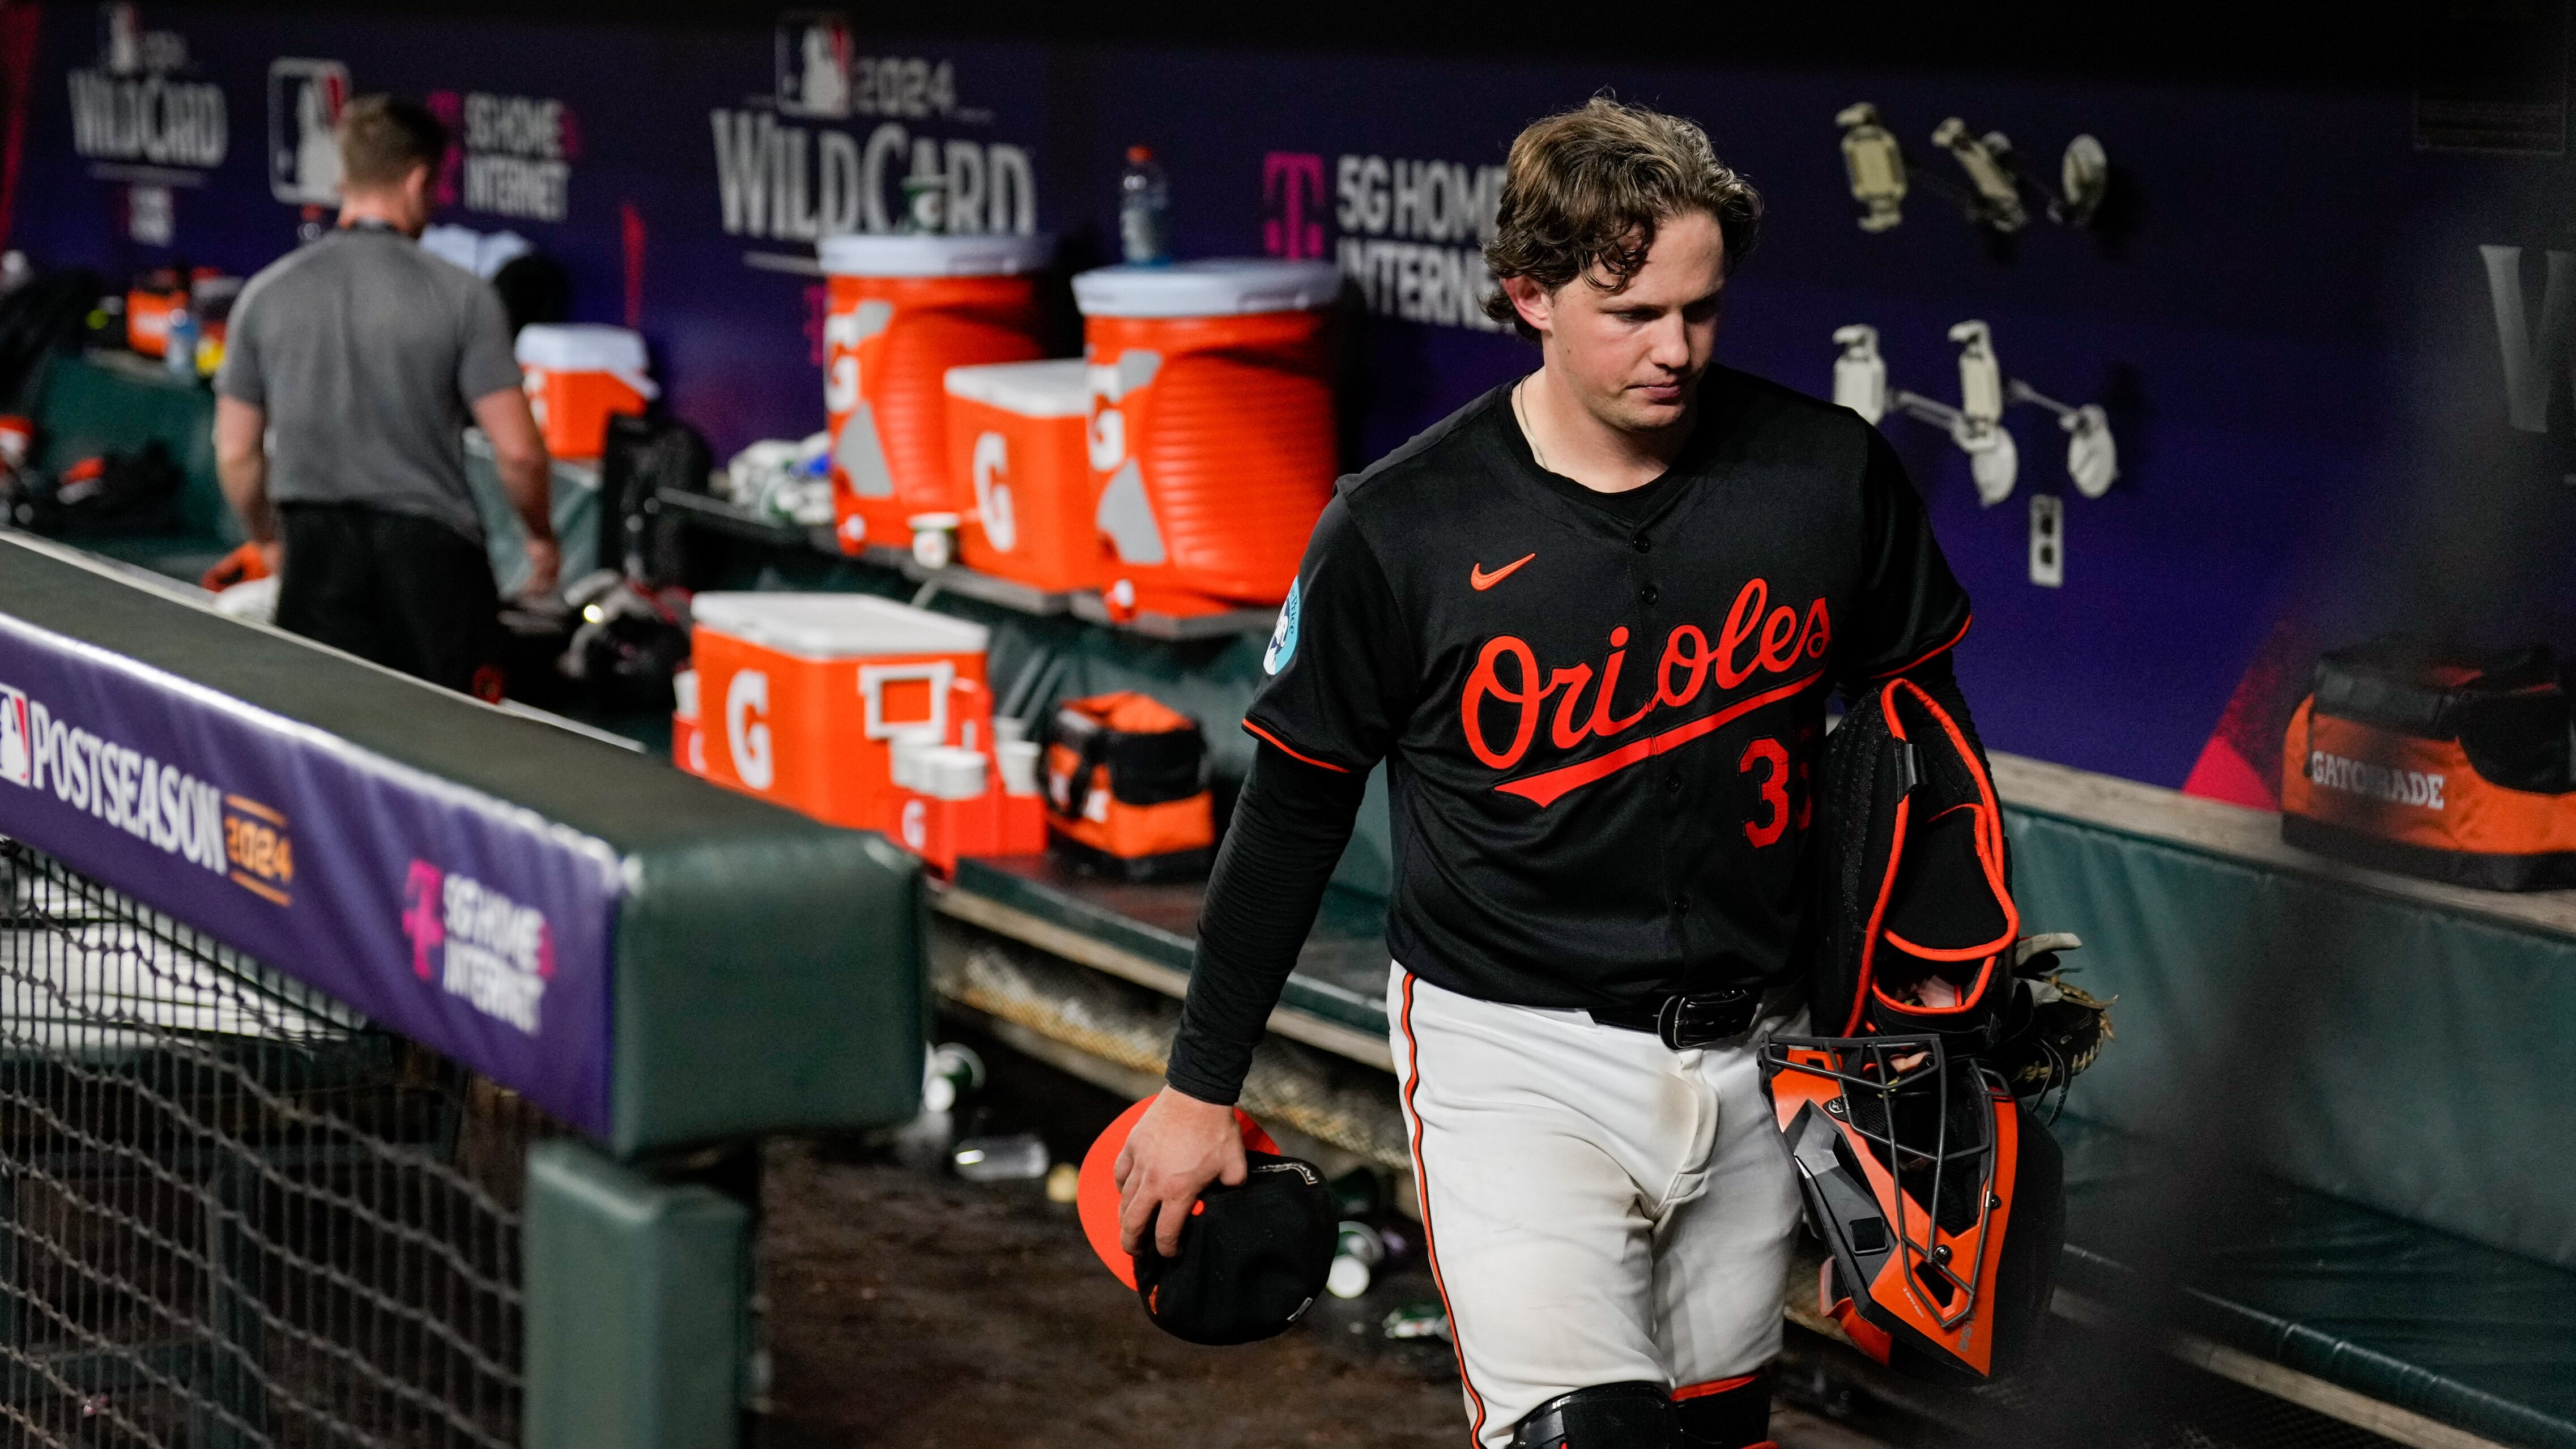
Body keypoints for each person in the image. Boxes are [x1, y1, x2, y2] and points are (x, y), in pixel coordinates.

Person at [1114, 99, 1987, 1449]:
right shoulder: (1401, 527)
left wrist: (1925, 1034)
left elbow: (1920, 748)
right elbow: (1290, 807)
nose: (1674, 349)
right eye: (1628, 311)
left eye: (1699, 309)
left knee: (1716, 1430)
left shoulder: (1823, 476)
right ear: (1526, 292)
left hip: (1763, 1045)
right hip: (1513, 1051)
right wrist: (1196, 1086)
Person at [214, 94, 555, 700]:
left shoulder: (266, 294)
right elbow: (521, 453)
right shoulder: (465, 296)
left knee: (322, 744)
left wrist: (269, 540)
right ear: (420, 179)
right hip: (433, 569)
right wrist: (540, 538)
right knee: (453, 750)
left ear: (345, 177)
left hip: (315, 556)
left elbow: (236, 451)